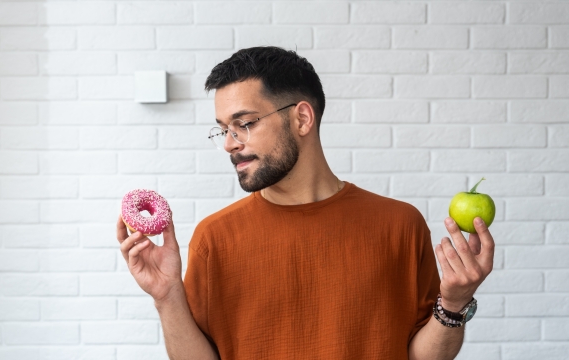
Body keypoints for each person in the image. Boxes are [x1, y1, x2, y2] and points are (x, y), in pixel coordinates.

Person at [117, 46, 495, 359]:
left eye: (244, 124)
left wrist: (456, 302)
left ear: (301, 118)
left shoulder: (400, 225)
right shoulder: (215, 237)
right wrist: (167, 297)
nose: (230, 143)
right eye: (223, 129)